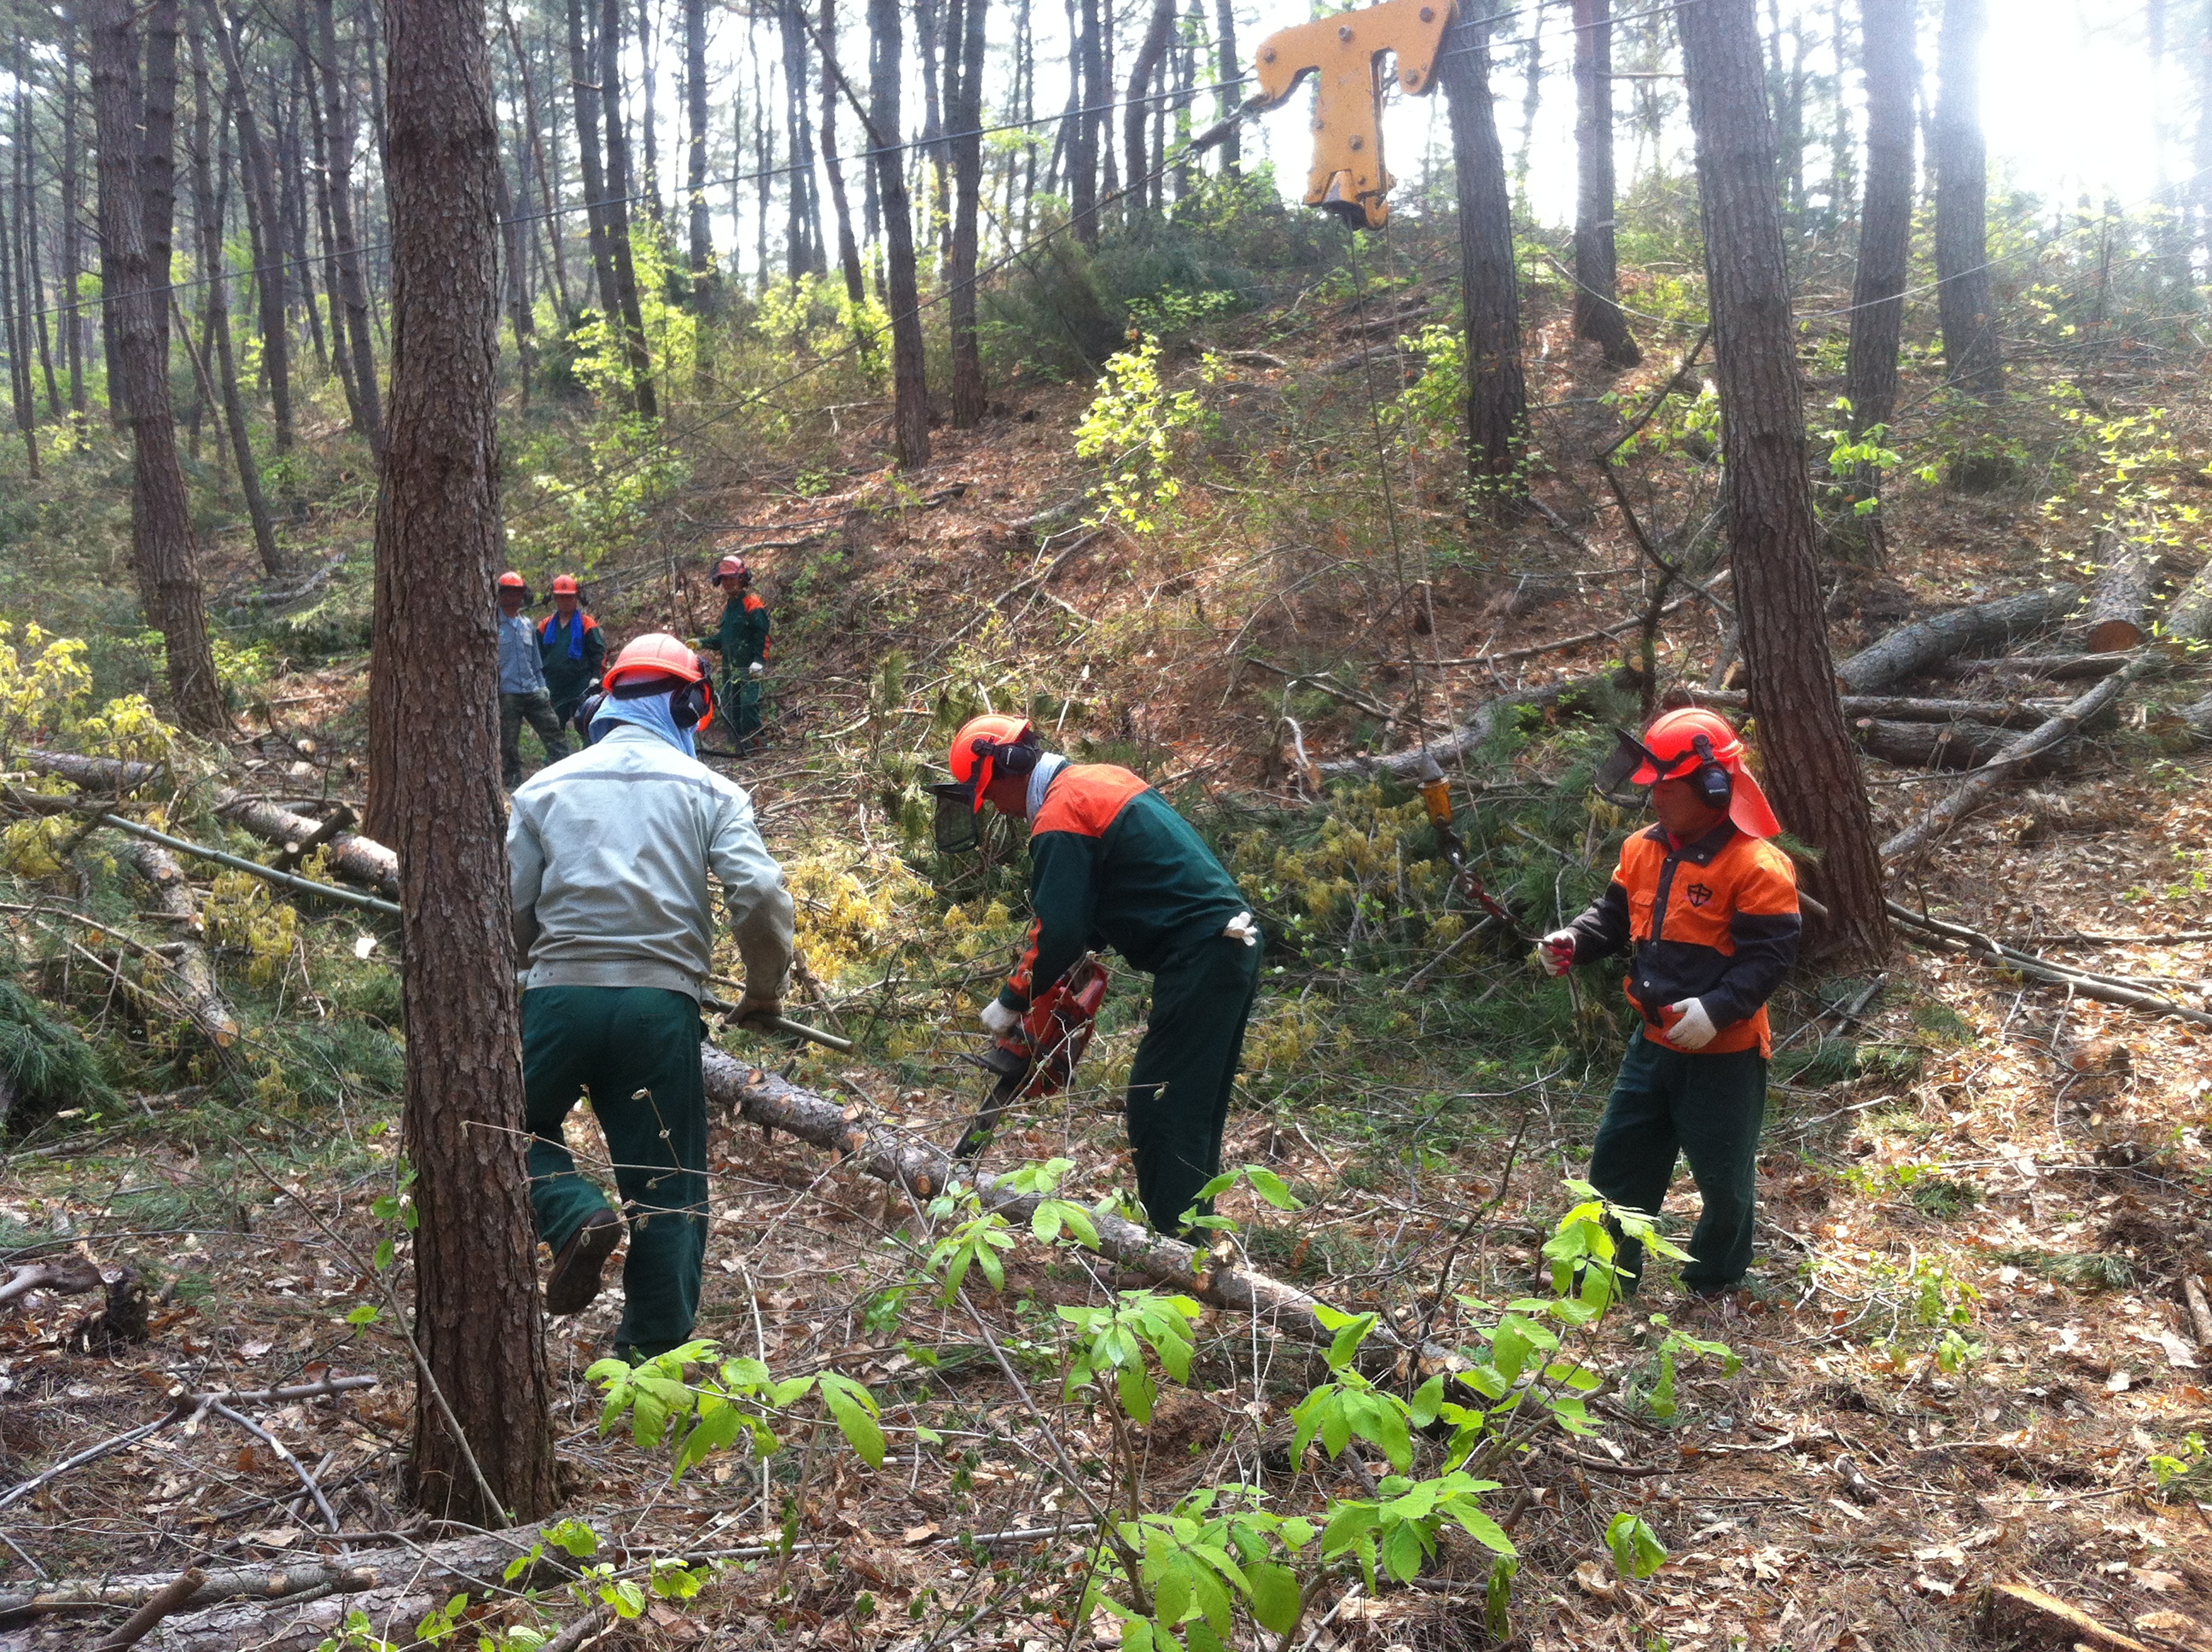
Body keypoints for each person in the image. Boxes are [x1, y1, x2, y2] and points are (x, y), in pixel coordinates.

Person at [509, 632, 794, 1361]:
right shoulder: (713, 791)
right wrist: (763, 991)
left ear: (610, 698)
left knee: (505, 1134)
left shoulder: (544, 788)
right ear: (691, 702)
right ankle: (651, 1356)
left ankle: (571, 1210)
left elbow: (510, 906)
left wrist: (523, 973)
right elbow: (758, 892)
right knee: (667, 1180)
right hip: (660, 1008)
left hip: (558, 997)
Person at [934, 715, 1262, 1236]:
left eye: (990, 792)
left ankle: (1175, 1248)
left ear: (1011, 766)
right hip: (1226, 945)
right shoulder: (1097, 780)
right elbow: (1108, 902)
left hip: (1204, 952)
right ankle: (1193, 1236)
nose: (995, 807)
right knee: (1192, 1101)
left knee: (1159, 1102)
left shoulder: (1064, 812)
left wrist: (1013, 998)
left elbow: (1061, 930)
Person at [1539, 707, 1801, 1301]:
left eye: (1667, 785)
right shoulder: (1640, 850)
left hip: (1726, 1055)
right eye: (1653, 784)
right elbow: (1610, 918)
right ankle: (1603, 1277)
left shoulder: (1758, 866)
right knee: (1619, 1161)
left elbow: (1768, 959)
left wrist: (1716, 1010)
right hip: (1651, 1046)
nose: (1654, 796)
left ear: (1712, 786)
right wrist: (1573, 942)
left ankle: (1716, 1280)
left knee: (1723, 1178)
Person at [498, 570, 569, 788]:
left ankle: (565, 774)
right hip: (507, 692)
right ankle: (512, 782)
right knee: (508, 742)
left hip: (532, 689)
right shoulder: (493, 625)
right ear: (500, 595)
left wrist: (542, 686)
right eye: (509, 593)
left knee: (554, 733)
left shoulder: (527, 625)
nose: (515, 598)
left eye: (518, 593)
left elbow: (535, 660)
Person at [699, 556, 771, 753]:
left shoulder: (752, 603)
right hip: (730, 669)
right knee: (730, 708)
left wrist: (758, 661)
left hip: (749, 666)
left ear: (741, 579)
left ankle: (759, 747)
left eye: (732, 579)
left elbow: (761, 635)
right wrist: (701, 643)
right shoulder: (729, 607)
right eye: (725, 580)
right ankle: (740, 749)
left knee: (748, 706)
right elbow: (723, 638)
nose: (729, 583)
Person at [538, 575, 605, 735]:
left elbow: (598, 652)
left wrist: (595, 677)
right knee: (553, 728)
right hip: (554, 685)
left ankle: (589, 756)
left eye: (569, 597)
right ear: (555, 599)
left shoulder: (587, 623)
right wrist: (539, 680)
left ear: (576, 598)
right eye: (561, 597)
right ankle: (554, 759)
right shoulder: (545, 625)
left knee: (586, 723)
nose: (565, 601)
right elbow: (537, 655)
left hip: (580, 684)